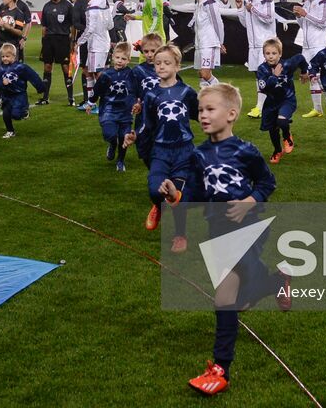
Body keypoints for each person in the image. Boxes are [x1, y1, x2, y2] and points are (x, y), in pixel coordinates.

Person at [176, 82, 287, 397]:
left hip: (249, 227)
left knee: (226, 296)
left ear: (232, 114)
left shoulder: (246, 150)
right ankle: (277, 281)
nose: (203, 116)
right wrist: (178, 194)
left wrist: (250, 201)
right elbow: (198, 193)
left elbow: (267, 182)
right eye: (200, 110)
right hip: (217, 230)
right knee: (236, 298)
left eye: (210, 109)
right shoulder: (198, 154)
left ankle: (221, 369)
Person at [127, 44, 197, 250]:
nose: (161, 66)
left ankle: (180, 235)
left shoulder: (186, 92)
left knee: (176, 195)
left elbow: (199, 114)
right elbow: (147, 125)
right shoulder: (151, 96)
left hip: (184, 152)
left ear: (177, 66)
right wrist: (135, 135)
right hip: (160, 152)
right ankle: (157, 206)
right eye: (158, 63)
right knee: (155, 190)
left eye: (167, 63)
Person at [256, 37, 308, 164]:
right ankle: (277, 150)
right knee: (272, 129)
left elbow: (300, 58)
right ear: (264, 54)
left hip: (287, 99)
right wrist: (274, 77)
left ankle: (287, 137)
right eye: (267, 53)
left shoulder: (287, 64)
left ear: (280, 54)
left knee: (282, 121)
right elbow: (263, 88)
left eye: (274, 53)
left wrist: (304, 71)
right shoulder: (262, 69)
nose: (271, 56)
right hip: (271, 103)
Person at [90, 42, 136, 171]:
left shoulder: (131, 74)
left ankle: (120, 161)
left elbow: (135, 90)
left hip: (125, 112)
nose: (120, 61)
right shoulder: (106, 74)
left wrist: (137, 102)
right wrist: (91, 102)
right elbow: (97, 89)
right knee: (109, 134)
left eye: (123, 59)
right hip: (108, 110)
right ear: (112, 57)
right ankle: (112, 143)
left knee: (124, 137)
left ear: (128, 60)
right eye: (117, 58)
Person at [293, 0, 326, 119]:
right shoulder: (306, 2)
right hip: (307, 45)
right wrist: (298, 16)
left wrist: (305, 14)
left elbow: (324, 22)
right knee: (311, 76)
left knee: (322, 77)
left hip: (319, 44)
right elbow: (304, 24)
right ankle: (317, 109)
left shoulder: (323, 1)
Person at [239, 0, 276, 118]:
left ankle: (261, 107)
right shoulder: (248, 1)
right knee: (258, 76)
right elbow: (245, 24)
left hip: (264, 44)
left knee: (264, 75)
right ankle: (264, 105)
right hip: (253, 45)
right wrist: (240, 9)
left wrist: (252, 9)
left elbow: (269, 18)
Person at [0, 42, 46, 139]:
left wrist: (40, 87)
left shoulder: (21, 67)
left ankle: (24, 111)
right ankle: (10, 131)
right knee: (6, 114)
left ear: (14, 56)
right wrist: (1, 88)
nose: (5, 58)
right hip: (7, 95)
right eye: (3, 56)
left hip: (19, 95)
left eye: (7, 56)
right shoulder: (1, 68)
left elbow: (33, 76)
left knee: (16, 115)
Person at [38, 0, 77, 106]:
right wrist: (43, 41)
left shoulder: (68, 6)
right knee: (47, 67)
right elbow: (44, 26)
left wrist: (73, 41)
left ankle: (71, 98)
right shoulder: (47, 6)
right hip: (49, 40)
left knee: (66, 68)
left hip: (63, 40)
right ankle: (45, 97)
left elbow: (73, 26)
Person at [81, 0, 113, 113]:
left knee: (99, 75)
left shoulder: (91, 9)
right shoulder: (106, 6)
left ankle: (105, 103)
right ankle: (91, 102)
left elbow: (90, 28)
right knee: (88, 71)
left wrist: (80, 41)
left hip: (96, 45)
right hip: (104, 42)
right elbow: (110, 26)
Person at [188, 0, 225, 90]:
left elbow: (217, 22)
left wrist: (220, 42)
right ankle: (205, 100)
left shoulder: (209, 1)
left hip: (209, 43)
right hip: (200, 44)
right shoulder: (199, 3)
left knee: (205, 74)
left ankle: (223, 93)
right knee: (201, 75)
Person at [0, 0, 29, 77]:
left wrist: (9, 28)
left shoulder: (19, 13)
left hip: (12, 46)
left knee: (12, 71)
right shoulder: (2, 11)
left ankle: (12, 90)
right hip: (0, 44)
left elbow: (19, 32)